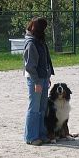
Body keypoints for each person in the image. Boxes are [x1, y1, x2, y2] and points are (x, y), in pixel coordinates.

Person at [23, 17, 54, 146]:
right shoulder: (31, 44)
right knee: (34, 109)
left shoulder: (39, 41)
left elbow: (45, 60)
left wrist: (47, 76)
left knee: (42, 108)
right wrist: (36, 82)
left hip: (43, 77)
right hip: (35, 79)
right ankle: (31, 136)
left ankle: (41, 134)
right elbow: (30, 66)